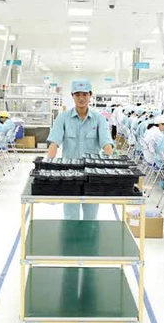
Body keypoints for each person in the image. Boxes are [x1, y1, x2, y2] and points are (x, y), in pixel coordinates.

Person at [46, 80, 114, 220]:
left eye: (84, 94)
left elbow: (106, 144)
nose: (81, 98)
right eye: (77, 94)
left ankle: (89, 234)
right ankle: (71, 234)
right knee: (70, 215)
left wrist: (110, 169)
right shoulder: (63, 118)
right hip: (70, 174)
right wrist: (48, 169)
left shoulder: (99, 119)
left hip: (92, 175)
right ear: (72, 96)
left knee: (91, 216)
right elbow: (54, 143)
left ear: (90, 95)